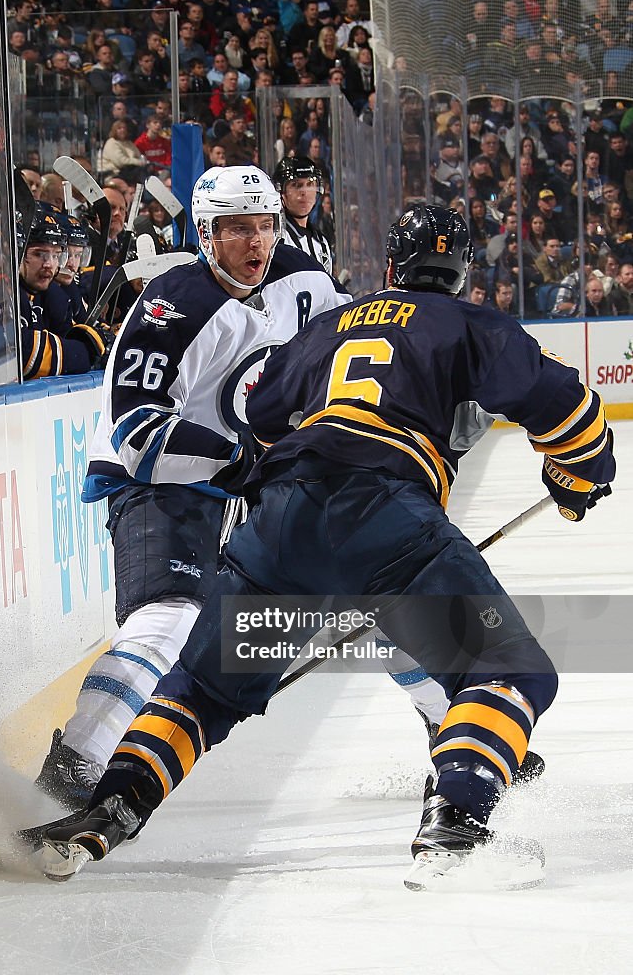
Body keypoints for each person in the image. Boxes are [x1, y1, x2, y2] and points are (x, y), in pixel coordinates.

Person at [36, 205, 615, 885]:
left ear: (391, 269)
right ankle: (456, 826)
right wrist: (576, 481)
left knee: (198, 691)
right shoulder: (468, 322)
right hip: (388, 516)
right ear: (461, 274)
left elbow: (262, 415)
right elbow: (570, 412)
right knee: (512, 671)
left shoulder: (329, 324)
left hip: (280, 522)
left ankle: (106, 809)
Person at [32, 166, 352, 808]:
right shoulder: (175, 303)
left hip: (212, 496)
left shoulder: (248, 307)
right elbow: (134, 427)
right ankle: (72, 765)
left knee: (357, 577)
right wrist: (235, 459)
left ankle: (448, 725)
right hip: (155, 489)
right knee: (166, 620)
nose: (256, 243)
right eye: (238, 229)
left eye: (265, 226)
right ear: (207, 233)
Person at [18, 210, 110, 379]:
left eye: (56, 256)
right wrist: (87, 351)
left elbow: (66, 330)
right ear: (18, 252)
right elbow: (22, 354)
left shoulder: (49, 292)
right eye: (39, 254)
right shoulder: (3, 289)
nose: (49, 264)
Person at [273, 155, 333, 275]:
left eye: (310, 184)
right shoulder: (274, 238)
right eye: (296, 185)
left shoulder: (321, 242)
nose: (304, 192)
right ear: (280, 191)